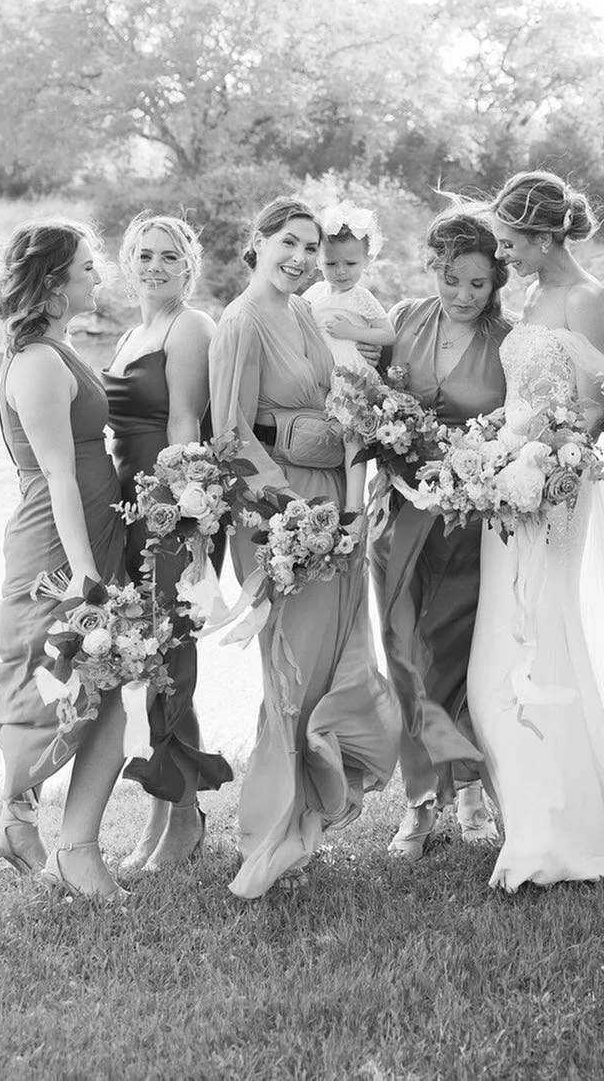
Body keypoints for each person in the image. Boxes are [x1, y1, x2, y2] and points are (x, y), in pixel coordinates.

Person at [466, 170, 604, 890]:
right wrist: (493, 447)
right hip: (508, 482)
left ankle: (565, 829)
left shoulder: (585, 298)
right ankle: (532, 812)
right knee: (504, 642)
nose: (503, 254)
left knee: (543, 639)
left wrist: (542, 456)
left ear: (544, 236)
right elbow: (523, 392)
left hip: (556, 488)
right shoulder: (532, 294)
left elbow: (593, 407)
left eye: (511, 242)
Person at [209, 194, 400, 898]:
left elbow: (343, 409)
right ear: (257, 241)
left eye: (309, 247)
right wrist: (293, 515)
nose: (299, 257)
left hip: (332, 501)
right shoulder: (240, 322)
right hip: (276, 511)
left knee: (333, 663)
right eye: (287, 242)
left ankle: (305, 819)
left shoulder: (302, 313)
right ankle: (269, 837)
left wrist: (351, 504)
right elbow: (230, 437)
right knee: (291, 674)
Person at [0, 220, 129, 902]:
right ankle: (70, 850)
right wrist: (84, 576)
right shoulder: (39, 362)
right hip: (58, 546)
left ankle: (23, 826)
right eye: (87, 267)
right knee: (67, 683)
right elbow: (57, 472)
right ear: (52, 282)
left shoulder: (54, 347)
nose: (98, 276)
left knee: (88, 684)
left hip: (84, 539)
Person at [368, 208, 511, 860]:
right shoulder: (401, 320)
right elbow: (365, 400)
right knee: (402, 651)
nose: (462, 294)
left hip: (467, 523)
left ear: (496, 281)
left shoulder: (508, 340)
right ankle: (420, 798)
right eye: (451, 279)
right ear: (433, 269)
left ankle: (471, 786)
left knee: (452, 654)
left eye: (477, 283)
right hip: (396, 512)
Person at [103, 213, 229, 876]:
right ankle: (163, 810)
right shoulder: (132, 333)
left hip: (173, 514)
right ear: (129, 262)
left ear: (189, 266)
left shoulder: (191, 327)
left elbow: (185, 428)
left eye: (169, 256)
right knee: (144, 666)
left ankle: (183, 818)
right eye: (144, 254)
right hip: (127, 513)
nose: (155, 266)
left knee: (169, 664)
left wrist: (189, 529)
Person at [302, 202, 396, 371]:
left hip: (352, 370)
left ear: (367, 261)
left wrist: (351, 332)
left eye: (350, 263)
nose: (341, 271)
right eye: (331, 264)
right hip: (318, 368)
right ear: (318, 262)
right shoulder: (315, 292)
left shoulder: (360, 296)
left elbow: (388, 335)